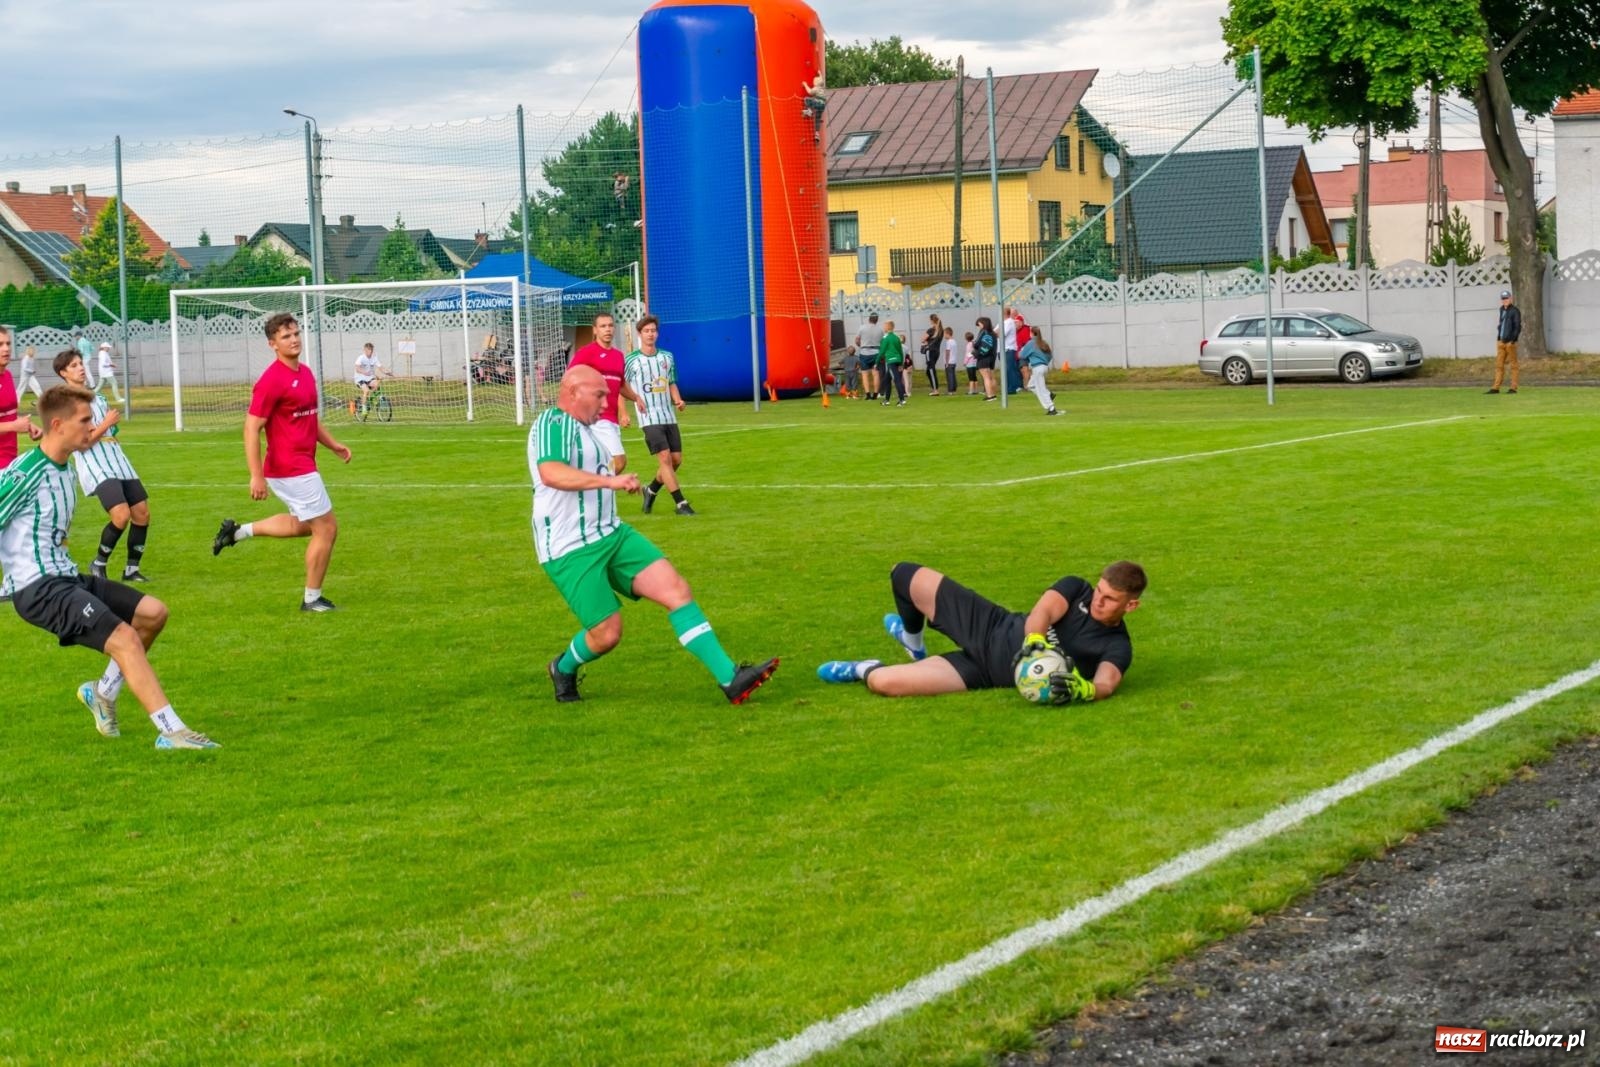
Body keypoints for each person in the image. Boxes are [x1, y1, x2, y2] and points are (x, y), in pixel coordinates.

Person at [532, 364, 779, 705]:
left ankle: (730, 679)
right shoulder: (551, 423)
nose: (606, 403)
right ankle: (563, 666)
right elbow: (551, 472)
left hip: (612, 534)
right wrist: (610, 481)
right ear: (572, 391)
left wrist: (618, 477)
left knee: (676, 589)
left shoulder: (590, 430)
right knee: (607, 634)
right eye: (599, 394)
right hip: (571, 546)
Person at [2, 385, 217, 748]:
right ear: (58, 424)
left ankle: (101, 694)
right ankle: (172, 732)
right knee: (125, 639)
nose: (93, 427)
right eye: (86, 420)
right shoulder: (26, 472)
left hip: (66, 577)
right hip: (39, 588)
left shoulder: (63, 468)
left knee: (153, 614)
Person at [818, 560, 1145, 703]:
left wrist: (1085, 691)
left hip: (985, 672)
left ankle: (862, 668)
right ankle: (911, 640)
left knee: (883, 683)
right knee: (902, 574)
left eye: (1109, 598)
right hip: (991, 625)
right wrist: (1035, 640)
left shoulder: (1116, 645)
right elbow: (1043, 610)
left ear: (1131, 606)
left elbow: (1106, 682)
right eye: (1099, 590)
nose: (1098, 600)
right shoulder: (1077, 588)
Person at [211, 312, 352, 613]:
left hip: (302, 465)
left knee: (304, 524)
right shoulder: (271, 381)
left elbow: (310, 420)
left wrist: (333, 445)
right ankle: (312, 600)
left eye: (296, 333)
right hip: (290, 468)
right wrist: (255, 475)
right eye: (286, 336)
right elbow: (251, 428)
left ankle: (237, 532)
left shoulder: (306, 373)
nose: (294, 339)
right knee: (326, 528)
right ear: (273, 344)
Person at [53, 349, 151, 580]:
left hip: (118, 458)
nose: (81, 367)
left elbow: (110, 428)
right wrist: (106, 423)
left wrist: (111, 425)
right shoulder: (67, 402)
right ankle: (98, 563)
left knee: (142, 513)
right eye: (74, 365)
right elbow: (82, 442)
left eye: (80, 363)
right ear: (63, 372)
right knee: (120, 515)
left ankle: (132, 569)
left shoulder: (99, 397)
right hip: (95, 463)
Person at [624, 315, 695, 516]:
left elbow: (671, 382)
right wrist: (624, 412)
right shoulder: (631, 360)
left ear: (657, 333)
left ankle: (651, 489)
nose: (650, 334)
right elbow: (622, 386)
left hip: (668, 415)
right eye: (646, 331)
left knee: (676, 460)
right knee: (664, 458)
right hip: (648, 417)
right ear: (640, 334)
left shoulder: (667, 357)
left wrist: (678, 400)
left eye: (653, 330)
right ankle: (681, 504)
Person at [568, 311, 642, 474]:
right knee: (619, 461)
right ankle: (593, 487)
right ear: (595, 330)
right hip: (597, 418)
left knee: (604, 461)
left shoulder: (618, 356)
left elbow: (620, 384)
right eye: (603, 326)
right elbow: (569, 379)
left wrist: (636, 398)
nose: (607, 329)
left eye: (610, 325)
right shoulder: (586, 353)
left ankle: (593, 489)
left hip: (612, 418)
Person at [0, 326, 43, 604]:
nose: (6, 349)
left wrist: (27, 427)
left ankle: (11, 581)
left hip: (10, 459)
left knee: (16, 520)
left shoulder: (5, 375)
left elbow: (10, 415)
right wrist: (12, 426)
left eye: (7, 343)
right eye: (1, 344)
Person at [1487, 289, 1521, 394]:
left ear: (1510, 299)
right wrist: (1498, 337)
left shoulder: (1515, 311)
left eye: (1506, 298)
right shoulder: (1501, 309)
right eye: (1503, 299)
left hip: (1510, 342)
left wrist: (1513, 340)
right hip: (1501, 341)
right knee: (1499, 365)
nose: (1505, 300)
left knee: (1513, 365)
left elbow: (1517, 326)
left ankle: (1513, 387)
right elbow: (1501, 324)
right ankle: (1496, 388)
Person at [1020, 332, 1061, 416]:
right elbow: (1050, 355)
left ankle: (1051, 408)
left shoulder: (1031, 343)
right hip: (1044, 366)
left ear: (1031, 333)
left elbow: (1022, 355)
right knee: (1031, 386)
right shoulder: (1043, 342)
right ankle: (1049, 394)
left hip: (1037, 367)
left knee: (1040, 389)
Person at [855, 313, 884, 401]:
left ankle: (868, 394)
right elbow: (882, 342)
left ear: (869, 319)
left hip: (864, 352)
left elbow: (857, 340)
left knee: (865, 374)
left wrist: (861, 345)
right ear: (877, 320)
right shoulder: (880, 330)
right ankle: (875, 394)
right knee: (876, 374)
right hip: (876, 352)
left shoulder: (862, 327)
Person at [879, 320, 908, 407]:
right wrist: (901, 363)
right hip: (895, 361)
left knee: (896, 379)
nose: (883, 327)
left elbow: (882, 351)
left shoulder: (887, 338)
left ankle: (902, 400)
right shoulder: (895, 337)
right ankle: (886, 400)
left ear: (888, 327)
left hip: (891, 361)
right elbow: (900, 352)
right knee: (887, 380)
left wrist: (877, 361)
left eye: (884, 326)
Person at [353, 342, 385, 416]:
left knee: (377, 384)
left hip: (369, 378)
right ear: (365, 350)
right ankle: (364, 408)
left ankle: (372, 399)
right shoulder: (361, 358)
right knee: (366, 391)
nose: (370, 352)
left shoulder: (374, 358)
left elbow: (381, 367)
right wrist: (363, 372)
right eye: (368, 350)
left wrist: (388, 373)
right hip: (360, 379)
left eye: (371, 350)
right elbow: (357, 368)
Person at [972, 317, 999, 401]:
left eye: (979, 324)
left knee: (986, 377)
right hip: (992, 357)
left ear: (983, 324)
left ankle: (989, 395)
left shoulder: (984, 332)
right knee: (992, 377)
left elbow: (977, 343)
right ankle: (993, 394)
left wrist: (976, 351)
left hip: (983, 357)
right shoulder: (993, 333)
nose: (978, 327)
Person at [942, 326, 958, 395]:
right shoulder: (954, 341)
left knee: (949, 376)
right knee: (953, 376)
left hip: (949, 361)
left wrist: (947, 362)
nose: (944, 336)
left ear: (947, 333)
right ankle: (954, 389)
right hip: (954, 361)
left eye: (944, 334)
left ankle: (950, 391)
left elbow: (947, 352)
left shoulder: (948, 342)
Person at [963, 331, 978, 395]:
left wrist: (965, 362)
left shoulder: (969, 345)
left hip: (970, 364)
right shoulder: (974, 343)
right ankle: (975, 390)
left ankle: (971, 391)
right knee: (974, 377)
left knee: (971, 378)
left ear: (966, 338)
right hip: (974, 363)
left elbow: (968, 354)